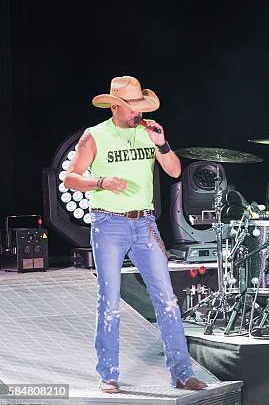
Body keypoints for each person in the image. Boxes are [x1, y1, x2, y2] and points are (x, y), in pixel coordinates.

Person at [64, 76, 207, 393]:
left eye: (139, 107)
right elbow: (71, 179)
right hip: (109, 224)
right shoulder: (95, 136)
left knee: (167, 300)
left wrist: (163, 144)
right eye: (131, 108)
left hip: (145, 225)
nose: (137, 113)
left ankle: (182, 373)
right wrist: (100, 182)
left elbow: (174, 171)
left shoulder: (148, 132)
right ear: (115, 106)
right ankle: (109, 374)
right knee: (110, 301)